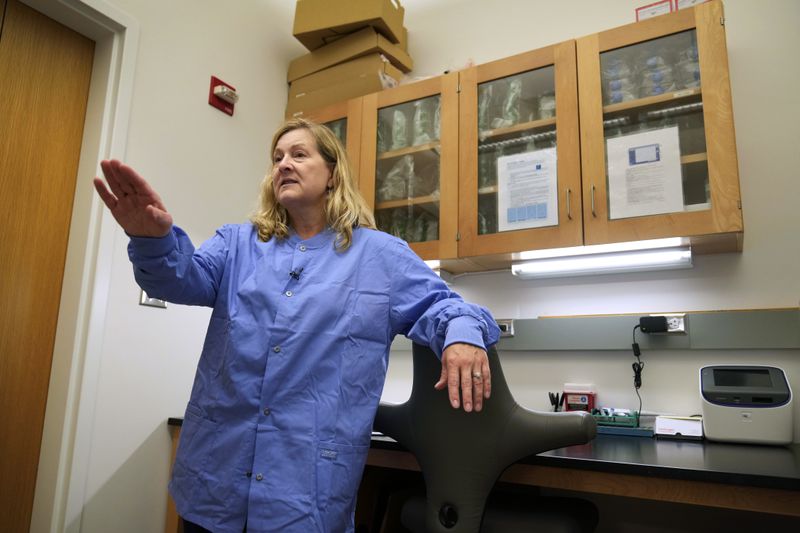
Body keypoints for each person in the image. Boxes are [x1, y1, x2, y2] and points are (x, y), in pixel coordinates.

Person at [93, 118, 500, 533]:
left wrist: (462, 337)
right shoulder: (237, 243)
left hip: (304, 493)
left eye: (299, 154)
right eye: (277, 158)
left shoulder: (381, 257)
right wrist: (151, 240)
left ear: (333, 174)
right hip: (215, 478)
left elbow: (447, 307)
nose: (284, 164)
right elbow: (179, 279)